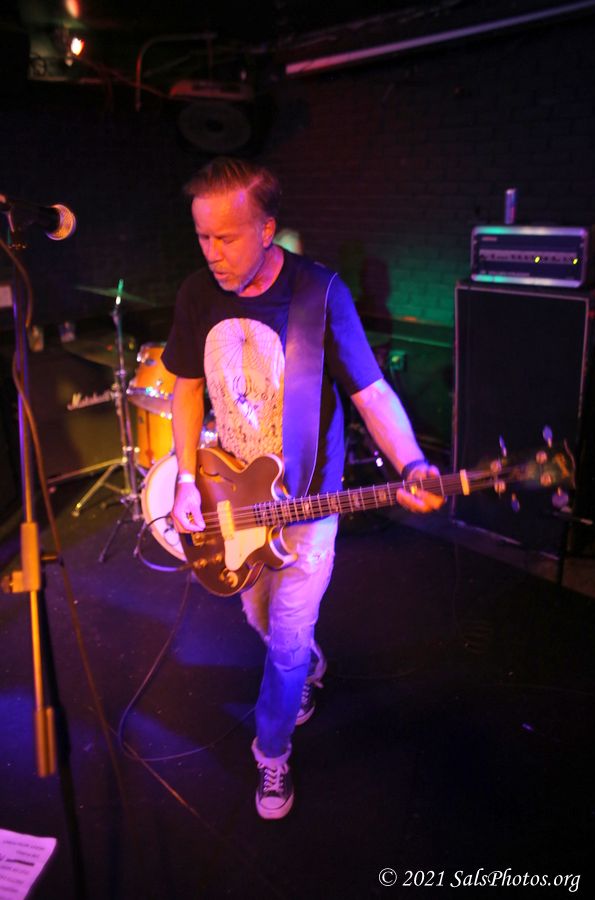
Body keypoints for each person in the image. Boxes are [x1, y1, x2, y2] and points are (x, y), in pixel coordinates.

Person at [161, 157, 442, 821]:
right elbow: (187, 390)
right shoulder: (197, 294)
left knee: (285, 643)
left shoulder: (319, 293)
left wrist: (411, 462)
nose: (211, 252)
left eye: (226, 237)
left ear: (267, 230)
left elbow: (371, 393)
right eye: (201, 237)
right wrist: (185, 479)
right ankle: (307, 661)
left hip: (310, 505)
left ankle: (272, 752)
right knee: (262, 620)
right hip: (235, 502)